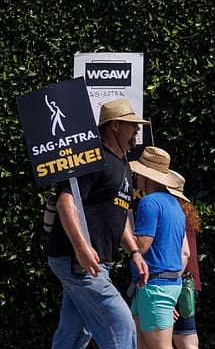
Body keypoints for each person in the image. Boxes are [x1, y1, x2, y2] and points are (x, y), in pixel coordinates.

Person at [46, 98, 150, 348]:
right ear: (114, 125)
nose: (137, 130)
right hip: (77, 261)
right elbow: (65, 202)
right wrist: (82, 248)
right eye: (131, 125)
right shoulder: (92, 159)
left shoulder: (124, 165)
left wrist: (134, 250)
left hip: (93, 262)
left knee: (74, 332)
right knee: (121, 324)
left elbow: (121, 211)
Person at [129, 147, 189, 349]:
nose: (135, 177)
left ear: (148, 177)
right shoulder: (175, 205)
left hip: (155, 287)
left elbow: (142, 246)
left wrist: (123, 230)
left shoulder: (149, 202)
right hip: (161, 285)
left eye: (138, 173)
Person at [170, 170, 202, 349]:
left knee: (182, 340)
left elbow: (182, 254)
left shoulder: (171, 214)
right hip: (189, 283)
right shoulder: (184, 213)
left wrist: (169, 294)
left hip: (178, 281)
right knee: (187, 337)